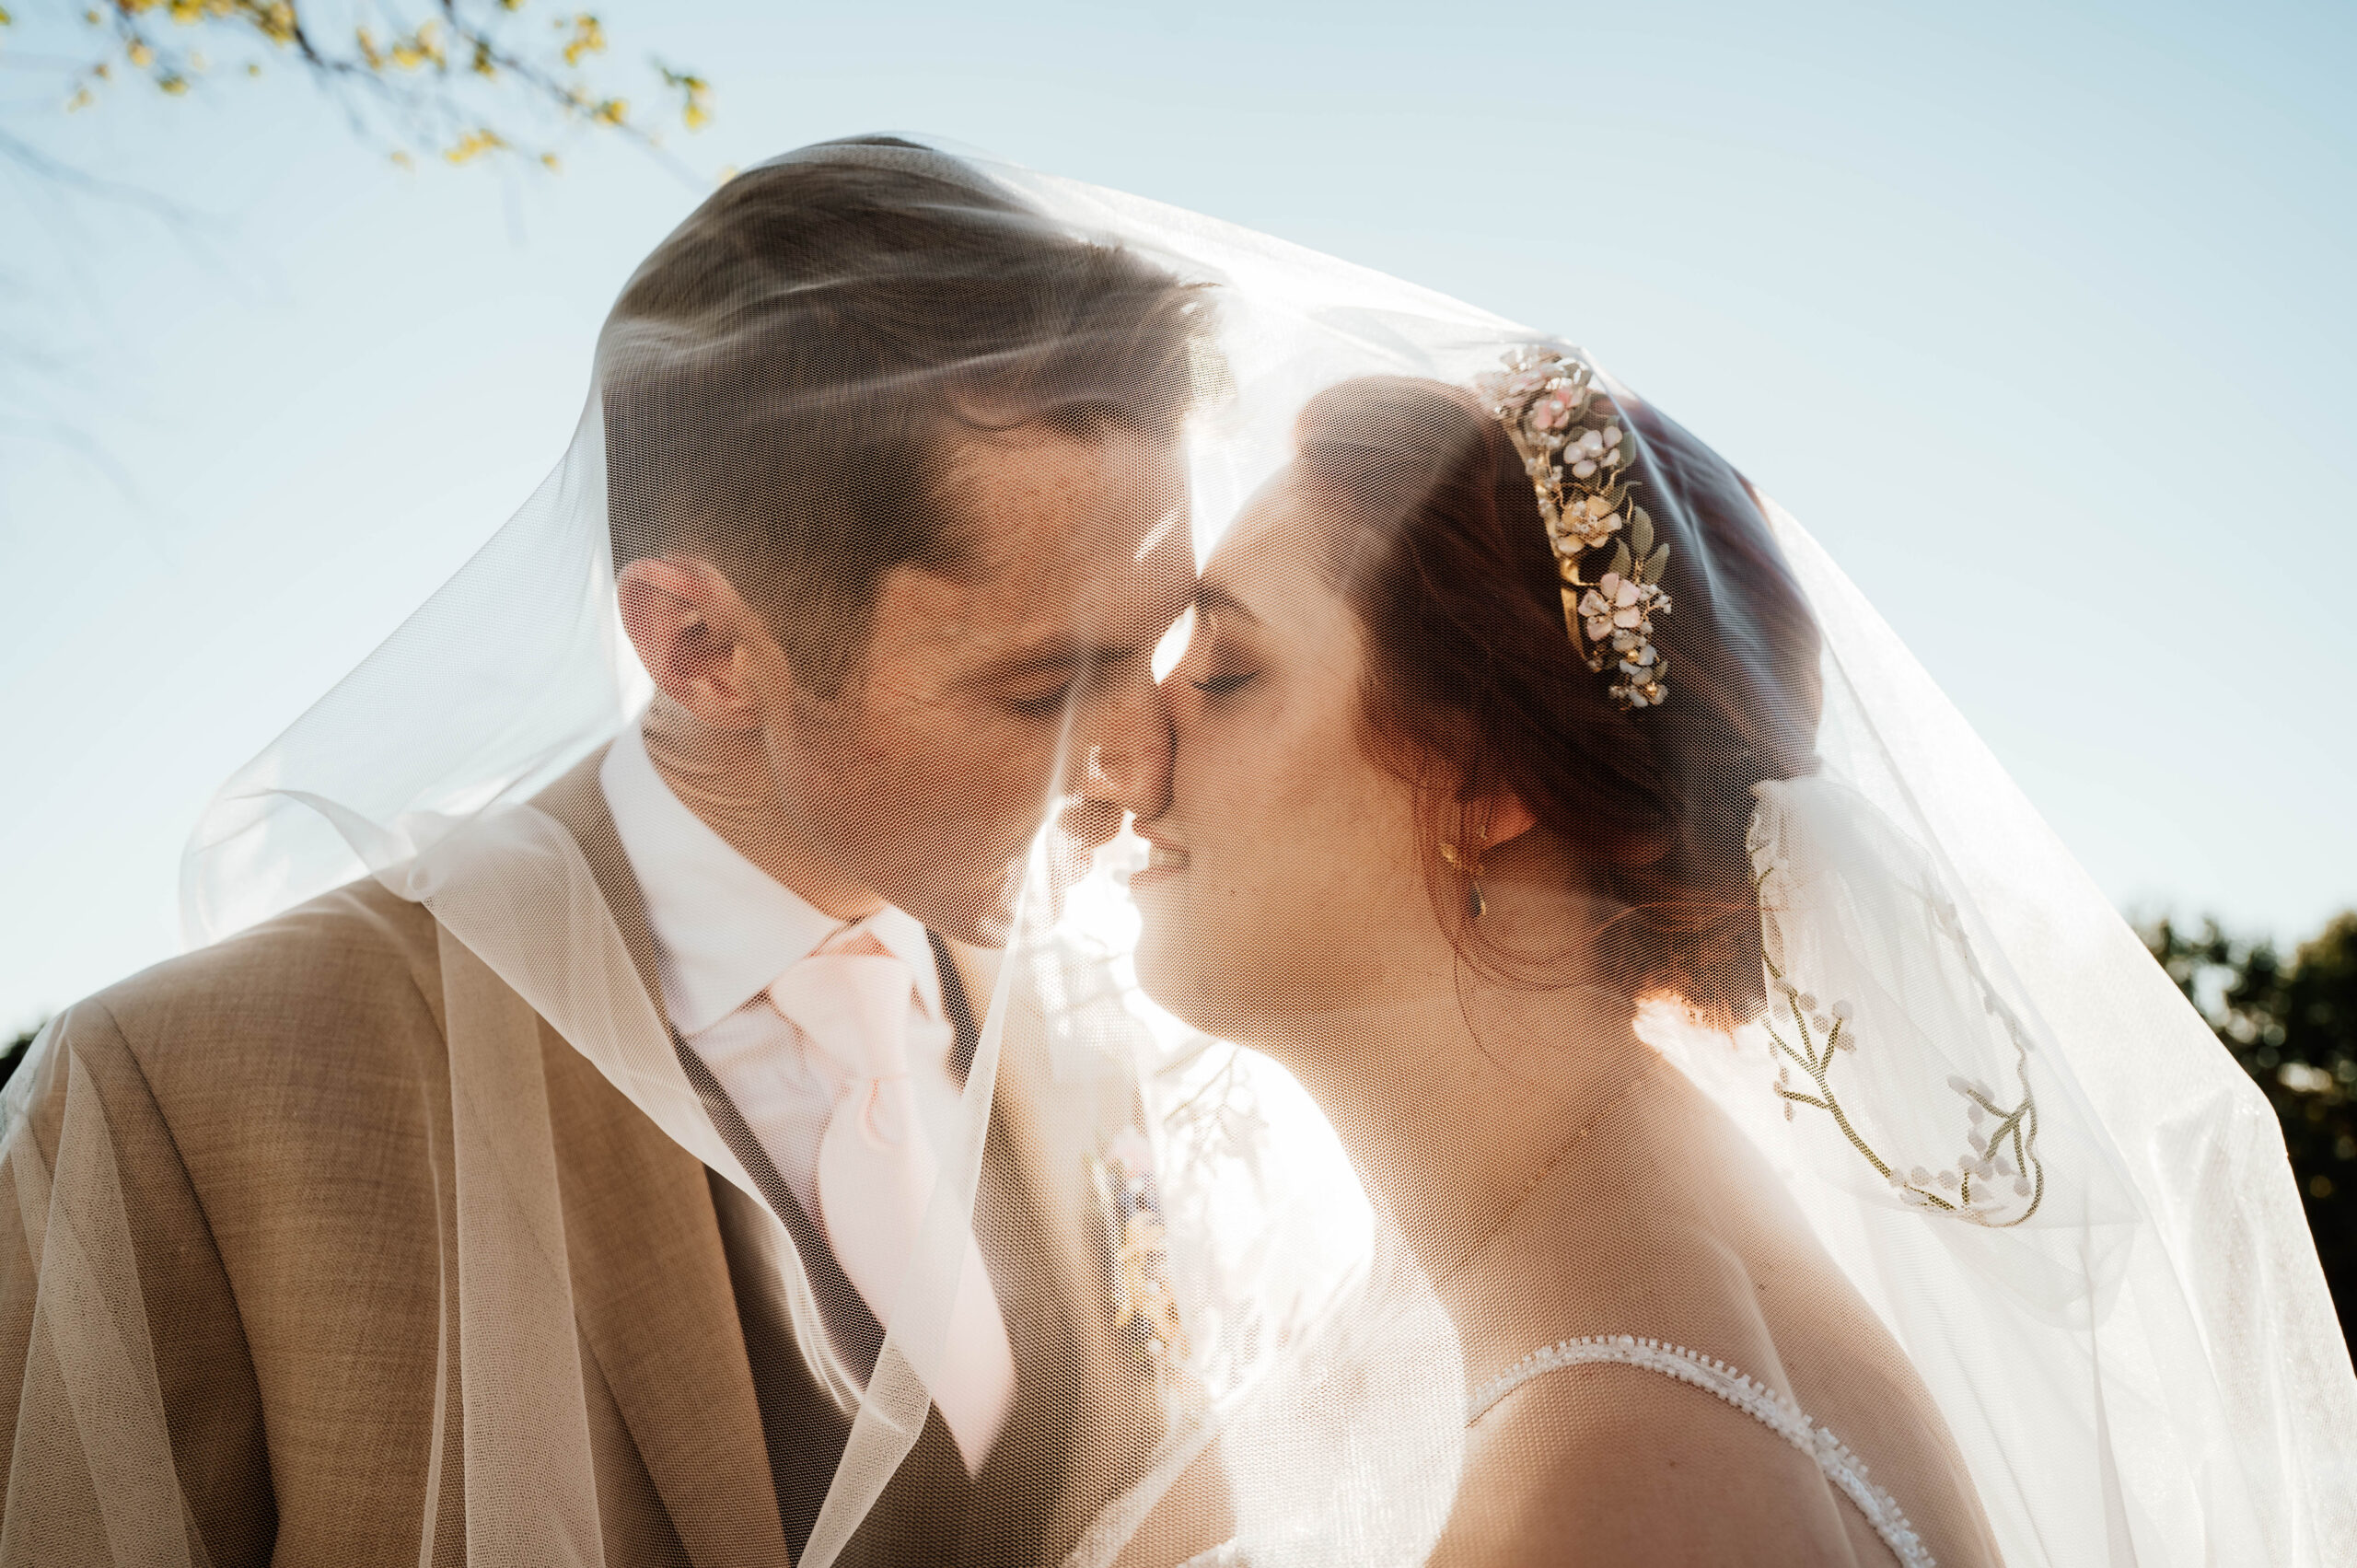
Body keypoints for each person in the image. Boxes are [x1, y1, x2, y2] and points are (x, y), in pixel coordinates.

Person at [0, 139, 1228, 1567]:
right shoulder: (180, 1106)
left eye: (1166, 648)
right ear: (700, 648)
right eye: (1045, 688)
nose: (1145, 764)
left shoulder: (1097, 1045)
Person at [1124, 364, 2357, 1566]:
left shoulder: (1610, 1485)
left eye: (1226, 674)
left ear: (1486, 783)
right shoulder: (1560, 1287)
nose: (1131, 741)